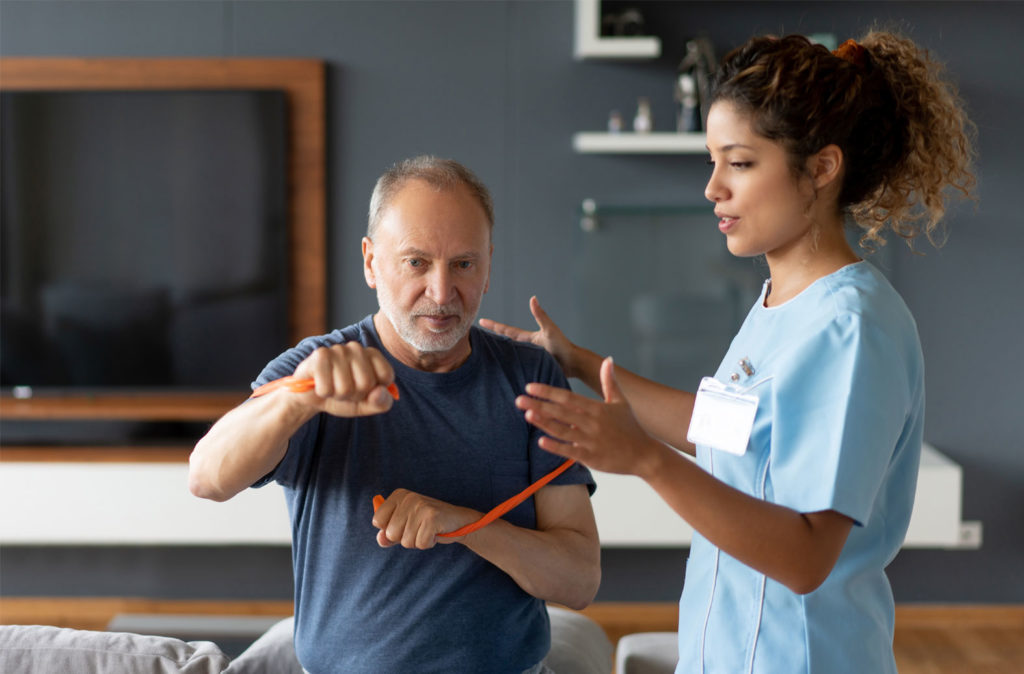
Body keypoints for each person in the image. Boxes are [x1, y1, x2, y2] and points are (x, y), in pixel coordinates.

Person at [482, 32, 975, 673]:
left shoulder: (852, 329)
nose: (713, 187)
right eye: (711, 161)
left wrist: (645, 462)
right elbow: (727, 429)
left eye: (739, 163)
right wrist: (575, 361)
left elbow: (805, 559)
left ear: (822, 169)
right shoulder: (778, 301)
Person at [188, 156, 601, 674]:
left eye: (464, 264)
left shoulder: (531, 376)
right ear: (370, 262)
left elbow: (579, 580)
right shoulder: (313, 369)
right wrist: (298, 399)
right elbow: (207, 477)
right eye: (416, 262)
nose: (442, 291)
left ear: (489, 265)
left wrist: (464, 525)